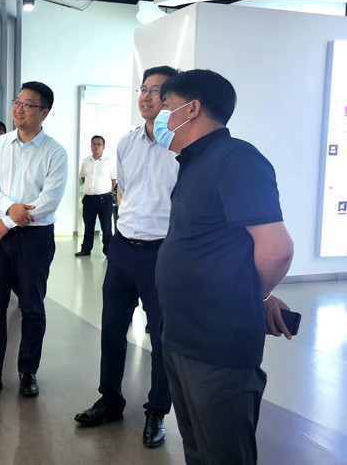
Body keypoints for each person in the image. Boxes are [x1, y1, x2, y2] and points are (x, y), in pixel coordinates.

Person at [154, 69, 294, 464]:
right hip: (181, 335)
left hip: (216, 344)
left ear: (191, 108)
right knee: (197, 447)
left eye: (165, 106)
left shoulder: (236, 159)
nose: (158, 116)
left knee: (223, 453)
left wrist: (256, 295)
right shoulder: (193, 162)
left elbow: (277, 248)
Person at [74, 66, 179, 449]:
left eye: (157, 90)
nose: (147, 96)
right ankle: (110, 399)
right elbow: (126, 192)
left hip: (162, 252)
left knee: (163, 338)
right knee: (112, 329)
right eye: (143, 89)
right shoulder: (126, 143)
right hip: (123, 248)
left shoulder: (182, 147)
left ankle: (157, 411)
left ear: (173, 98)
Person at [0, 81, 67, 399]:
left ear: (44, 112)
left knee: (32, 307)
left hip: (33, 238)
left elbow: (48, 201)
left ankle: (28, 371)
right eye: (17, 102)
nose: (19, 108)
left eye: (28, 104)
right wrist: (9, 210)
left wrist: (8, 221)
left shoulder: (55, 152)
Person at [75, 135, 116, 257]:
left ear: (103, 147)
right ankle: (86, 249)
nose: (96, 146)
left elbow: (114, 179)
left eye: (99, 144)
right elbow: (83, 177)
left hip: (104, 199)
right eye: (94, 144)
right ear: (91, 146)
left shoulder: (108, 161)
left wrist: (105, 191)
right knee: (88, 226)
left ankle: (109, 251)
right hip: (89, 199)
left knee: (106, 227)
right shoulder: (85, 161)